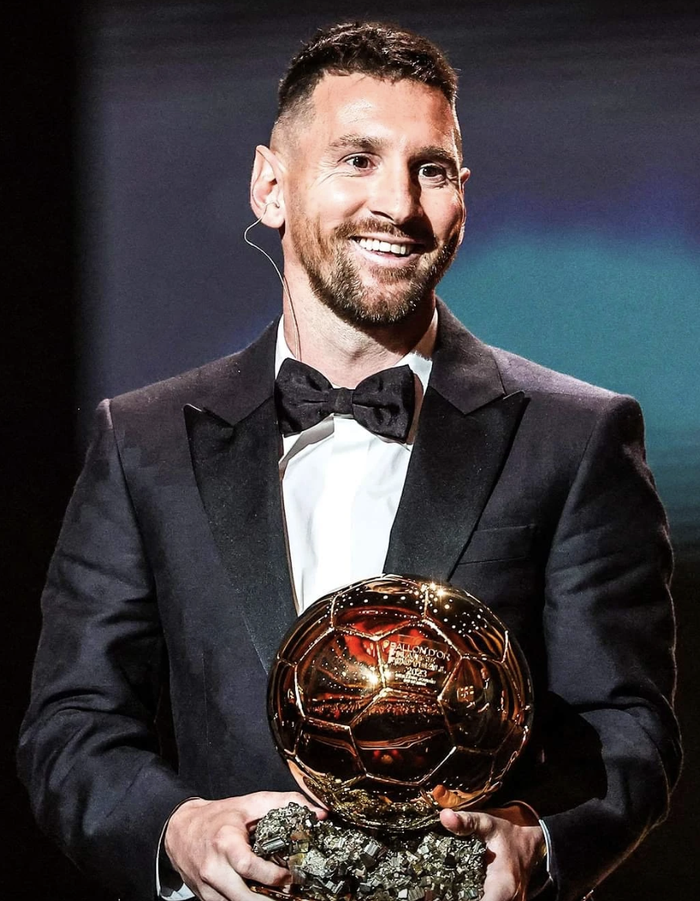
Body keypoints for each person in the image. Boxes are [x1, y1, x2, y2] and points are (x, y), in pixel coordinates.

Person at [18, 21, 681, 901]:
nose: (398, 205)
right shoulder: (143, 442)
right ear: (270, 186)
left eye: (430, 169)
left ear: (462, 197)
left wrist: (536, 843)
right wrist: (177, 828)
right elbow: (72, 724)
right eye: (357, 159)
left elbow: (628, 730)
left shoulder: (576, 435)